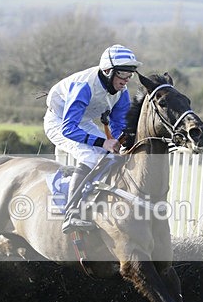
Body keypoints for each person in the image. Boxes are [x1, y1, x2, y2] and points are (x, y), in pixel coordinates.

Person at [43, 44, 141, 233]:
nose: (127, 79)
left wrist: (123, 141)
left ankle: (94, 196)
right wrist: (103, 142)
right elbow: (69, 129)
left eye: (131, 74)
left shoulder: (122, 90)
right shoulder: (84, 86)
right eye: (122, 73)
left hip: (83, 121)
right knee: (90, 156)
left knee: (112, 154)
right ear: (107, 71)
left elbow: (119, 125)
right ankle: (71, 213)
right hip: (60, 122)